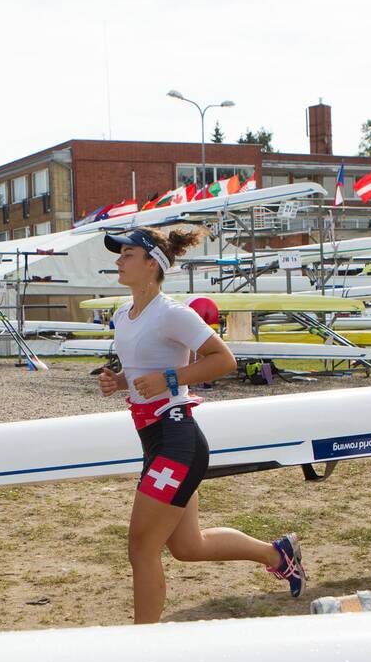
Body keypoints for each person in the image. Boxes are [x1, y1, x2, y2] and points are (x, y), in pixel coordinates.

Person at [97, 227, 307, 624]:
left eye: (126, 254)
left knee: (142, 547)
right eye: (119, 254)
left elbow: (223, 359)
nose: (118, 261)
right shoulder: (123, 315)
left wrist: (168, 380)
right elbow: (143, 370)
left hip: (177, 439)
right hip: (154, 438)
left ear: (151, 264)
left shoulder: (172, 313)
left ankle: (142, 646)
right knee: (188, 547)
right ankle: (276, 554)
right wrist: (119, 380)